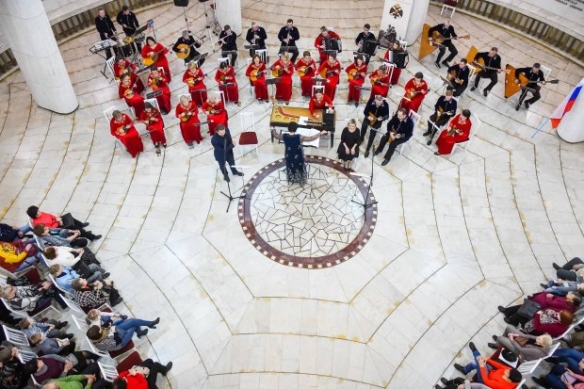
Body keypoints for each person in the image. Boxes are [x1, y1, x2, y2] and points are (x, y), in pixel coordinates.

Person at [453, 342, 522, 389]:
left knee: (476, 363)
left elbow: (486, 381)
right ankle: (474, 357)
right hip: (492, 372)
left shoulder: (502, 386)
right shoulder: (511, 372)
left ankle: (474, 354)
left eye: (508, 372)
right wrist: (487, 359)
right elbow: (500, 366)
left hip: (485, 381)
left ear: (509, 378)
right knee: (478, 362)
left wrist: (482, 367)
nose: (507, 370)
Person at [498, 290, 581, 326]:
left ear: (572, 301)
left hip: (542, 308)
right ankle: (507, 311)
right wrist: (552, 296)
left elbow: (552, 304)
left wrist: (549, 297)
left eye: (571, 295)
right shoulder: (566, 300)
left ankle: (512, 320)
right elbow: (556, 298)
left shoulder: (566, 305)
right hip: (542, 303)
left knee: (524, 308)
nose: (569, 294)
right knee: (522, 306)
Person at [86, 317, 159, 352]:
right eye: (99, 329)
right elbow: (117, 341)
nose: (100, 327)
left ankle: (150, 323)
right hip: (119, 342)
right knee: (133, 326)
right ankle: (140, 332)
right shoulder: (102, 342)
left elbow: (104, 327)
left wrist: (111, 319)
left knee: (133, 321)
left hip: (115, 331)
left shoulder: (96, 334)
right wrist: (114, 331)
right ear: (99, 334)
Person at [23, 353, 102, 385]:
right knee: (88, 362)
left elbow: (53, 356)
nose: (40, 359)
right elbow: (58, 382)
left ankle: (99, 355)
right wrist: (66, 370)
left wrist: (66, 361)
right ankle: (95, 364)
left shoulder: (40, 359)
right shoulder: (43, 380)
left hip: (66, 361)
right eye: (38, 362)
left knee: (84, 353)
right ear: (37, 369)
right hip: (68, 374)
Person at [487, 327, 552, 361]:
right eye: (540, 337)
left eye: (540, 339)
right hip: (525, 342)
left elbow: (521, 349)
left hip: (520, 352)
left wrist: (512, 339)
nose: (538, 338)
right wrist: (516, 334)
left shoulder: (537, 351)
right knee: (509, 328)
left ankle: (497, 344)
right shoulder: (542, 339)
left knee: (501, 338)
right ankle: (501, 342)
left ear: (543, 344)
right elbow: (530, 336)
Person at [0, 280, 67, 312]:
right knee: (52, 290)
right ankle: (64, 304)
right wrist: (44, 288)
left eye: (12, 287)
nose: (14, 288)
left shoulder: (14, 290)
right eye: (11, 289)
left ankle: (61, 295)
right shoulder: (17, 302)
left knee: (45, 282)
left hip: (32, 296)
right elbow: (35, 298)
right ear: (8, 296)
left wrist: (40, 284)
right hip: (34, 304)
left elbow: (28, 287)